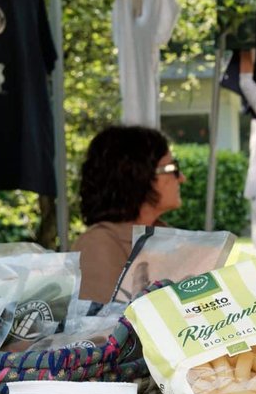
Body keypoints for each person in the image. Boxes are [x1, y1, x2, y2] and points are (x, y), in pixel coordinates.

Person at [74, 125, 182, 299]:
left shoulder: (163, 233)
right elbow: (102, 316)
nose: (181, 178)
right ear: (138, 175)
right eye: (172, 169)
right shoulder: (98, 244)